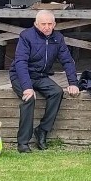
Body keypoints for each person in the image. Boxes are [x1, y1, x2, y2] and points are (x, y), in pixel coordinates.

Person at [9, 10, 80, 153]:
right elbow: (20, 62)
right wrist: (27, 87)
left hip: (41, 76)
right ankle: (23, 142)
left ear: (54, 24)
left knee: (57, 92)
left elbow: (67, 60)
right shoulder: (26, 36)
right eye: (43, 24)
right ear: (36, 24)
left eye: (50, 24)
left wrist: (73, 83)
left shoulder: (58, 38)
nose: (47, 27)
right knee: (29, 98)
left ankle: (42, 130)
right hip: (21, 75)